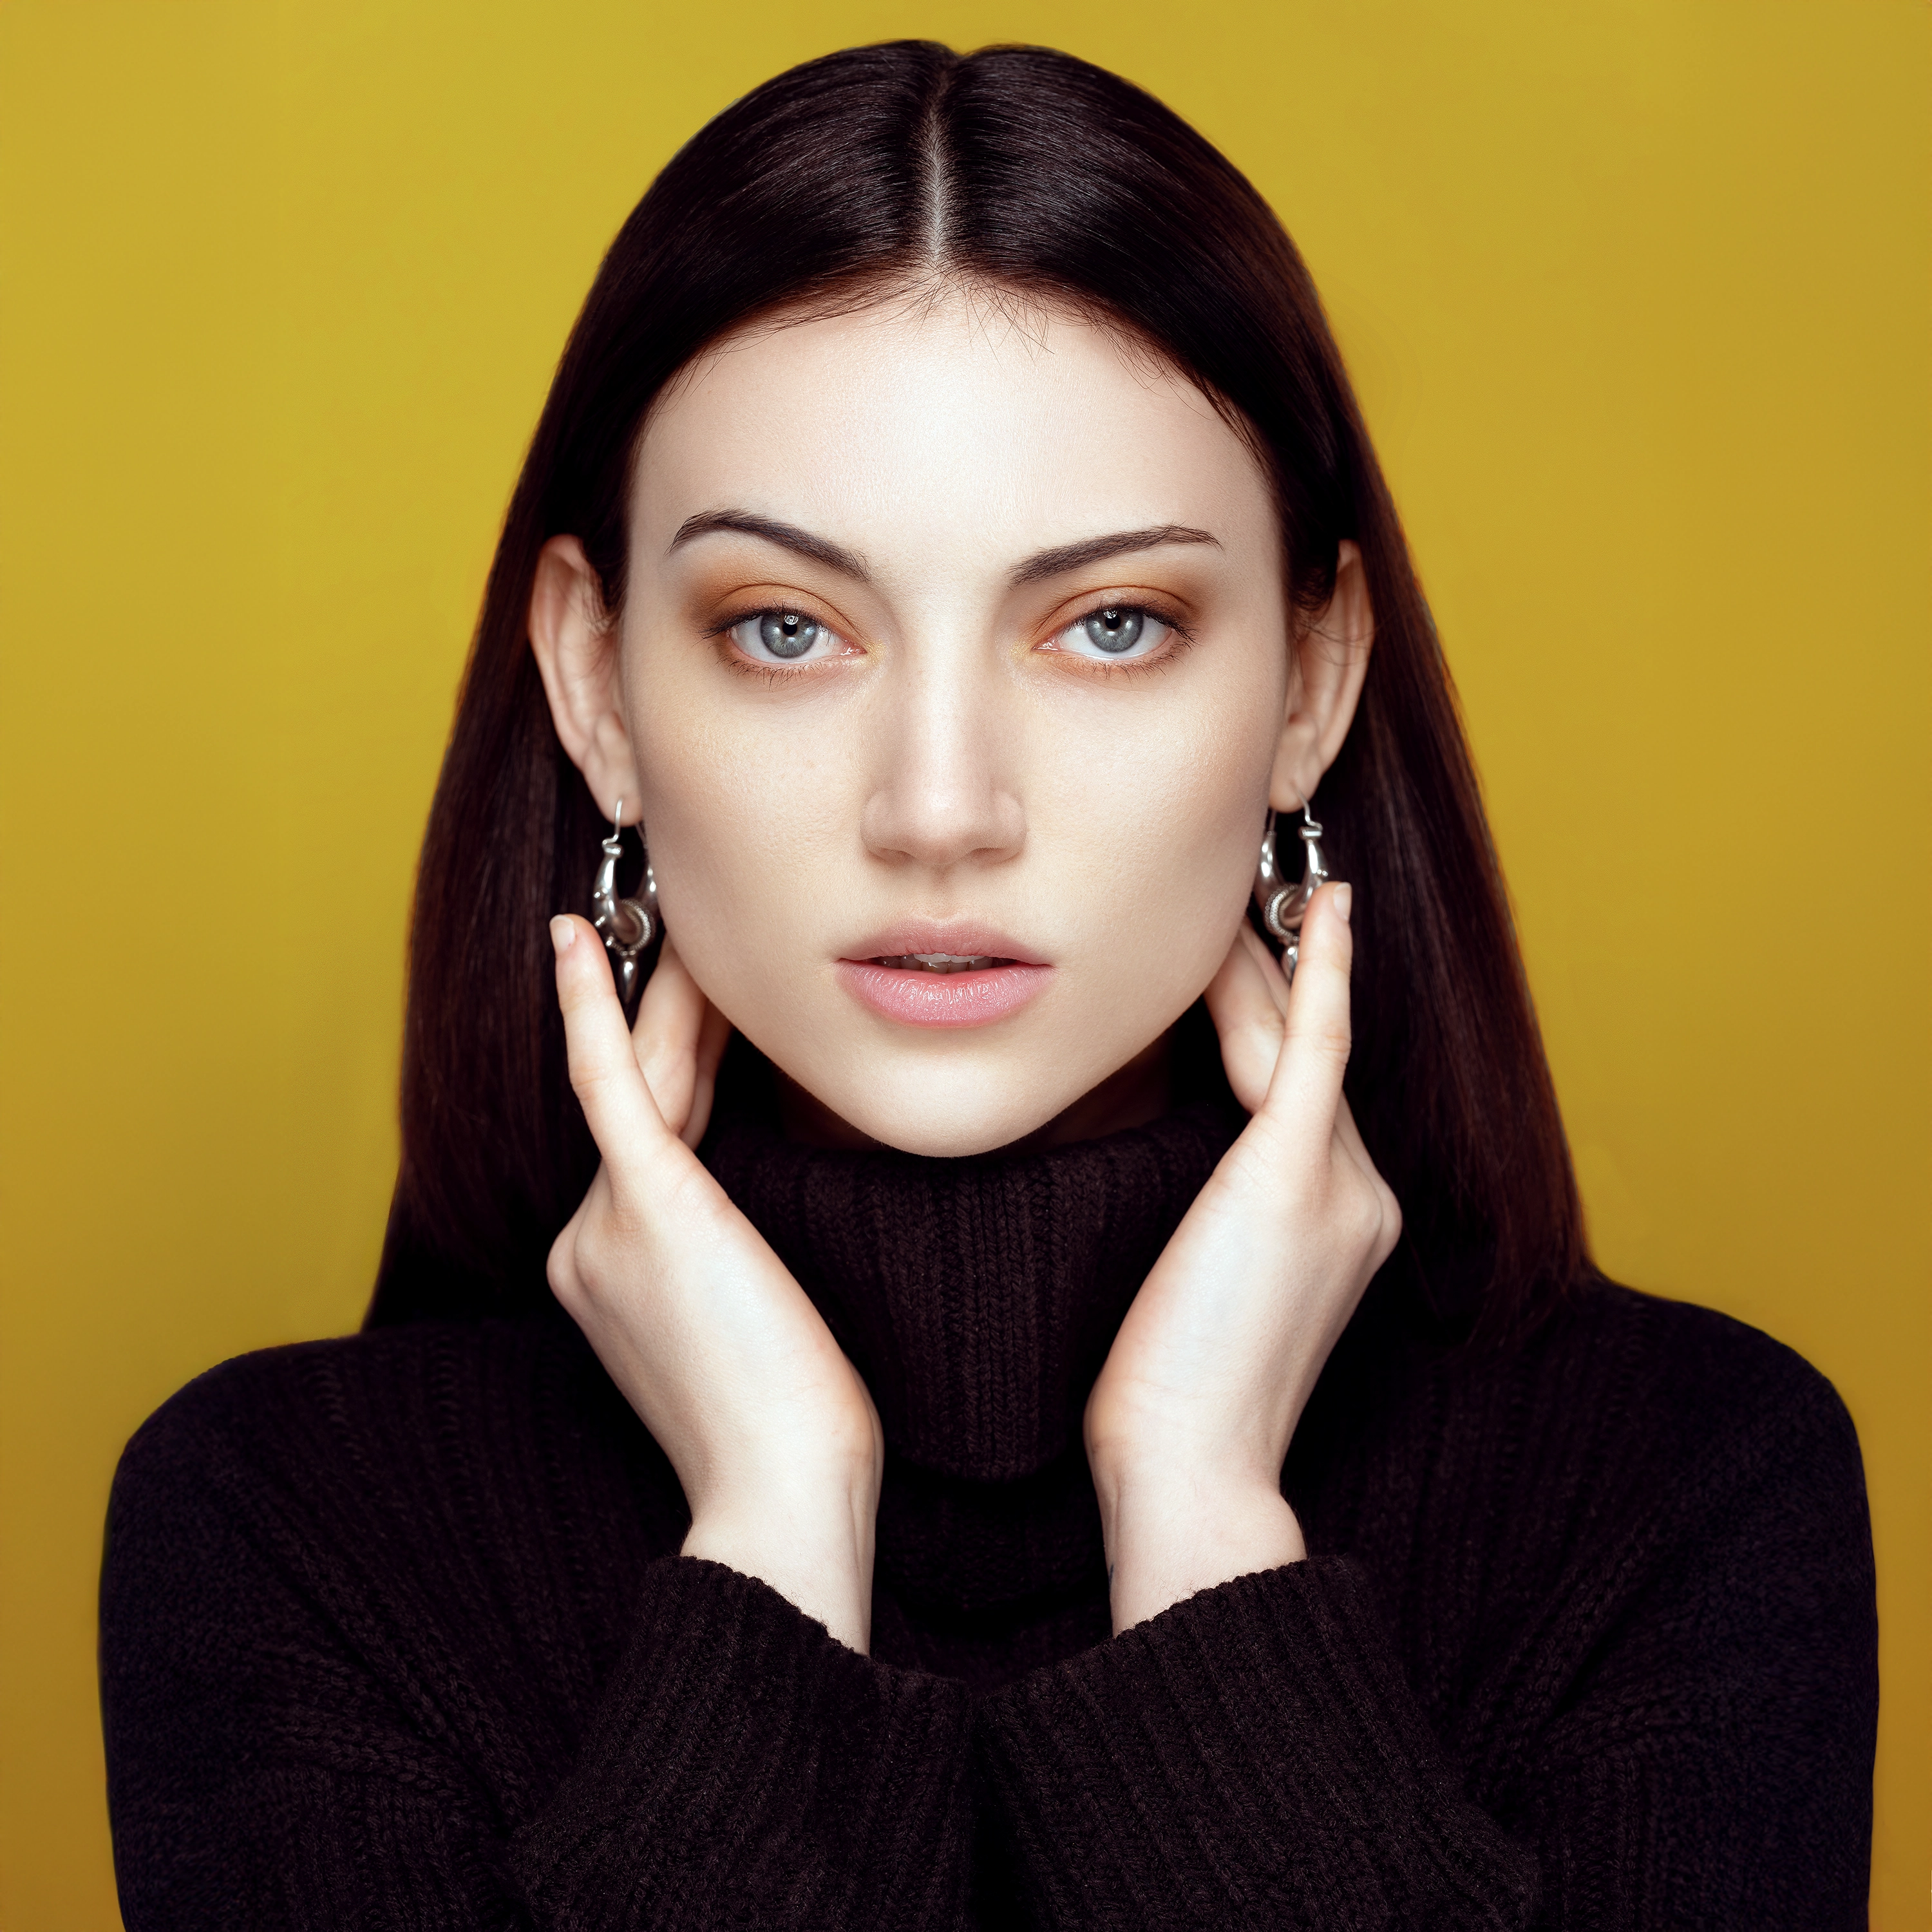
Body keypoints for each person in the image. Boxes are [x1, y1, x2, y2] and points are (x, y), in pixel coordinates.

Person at [99, 41, 1877, 1929]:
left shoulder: (1687, 1491)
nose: (940, 810)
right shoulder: (285, 1535)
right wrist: (775, 1539)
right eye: (786, 630)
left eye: (1111, 626)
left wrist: (1204, 1534)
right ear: (599, 688)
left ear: (1309, 686)